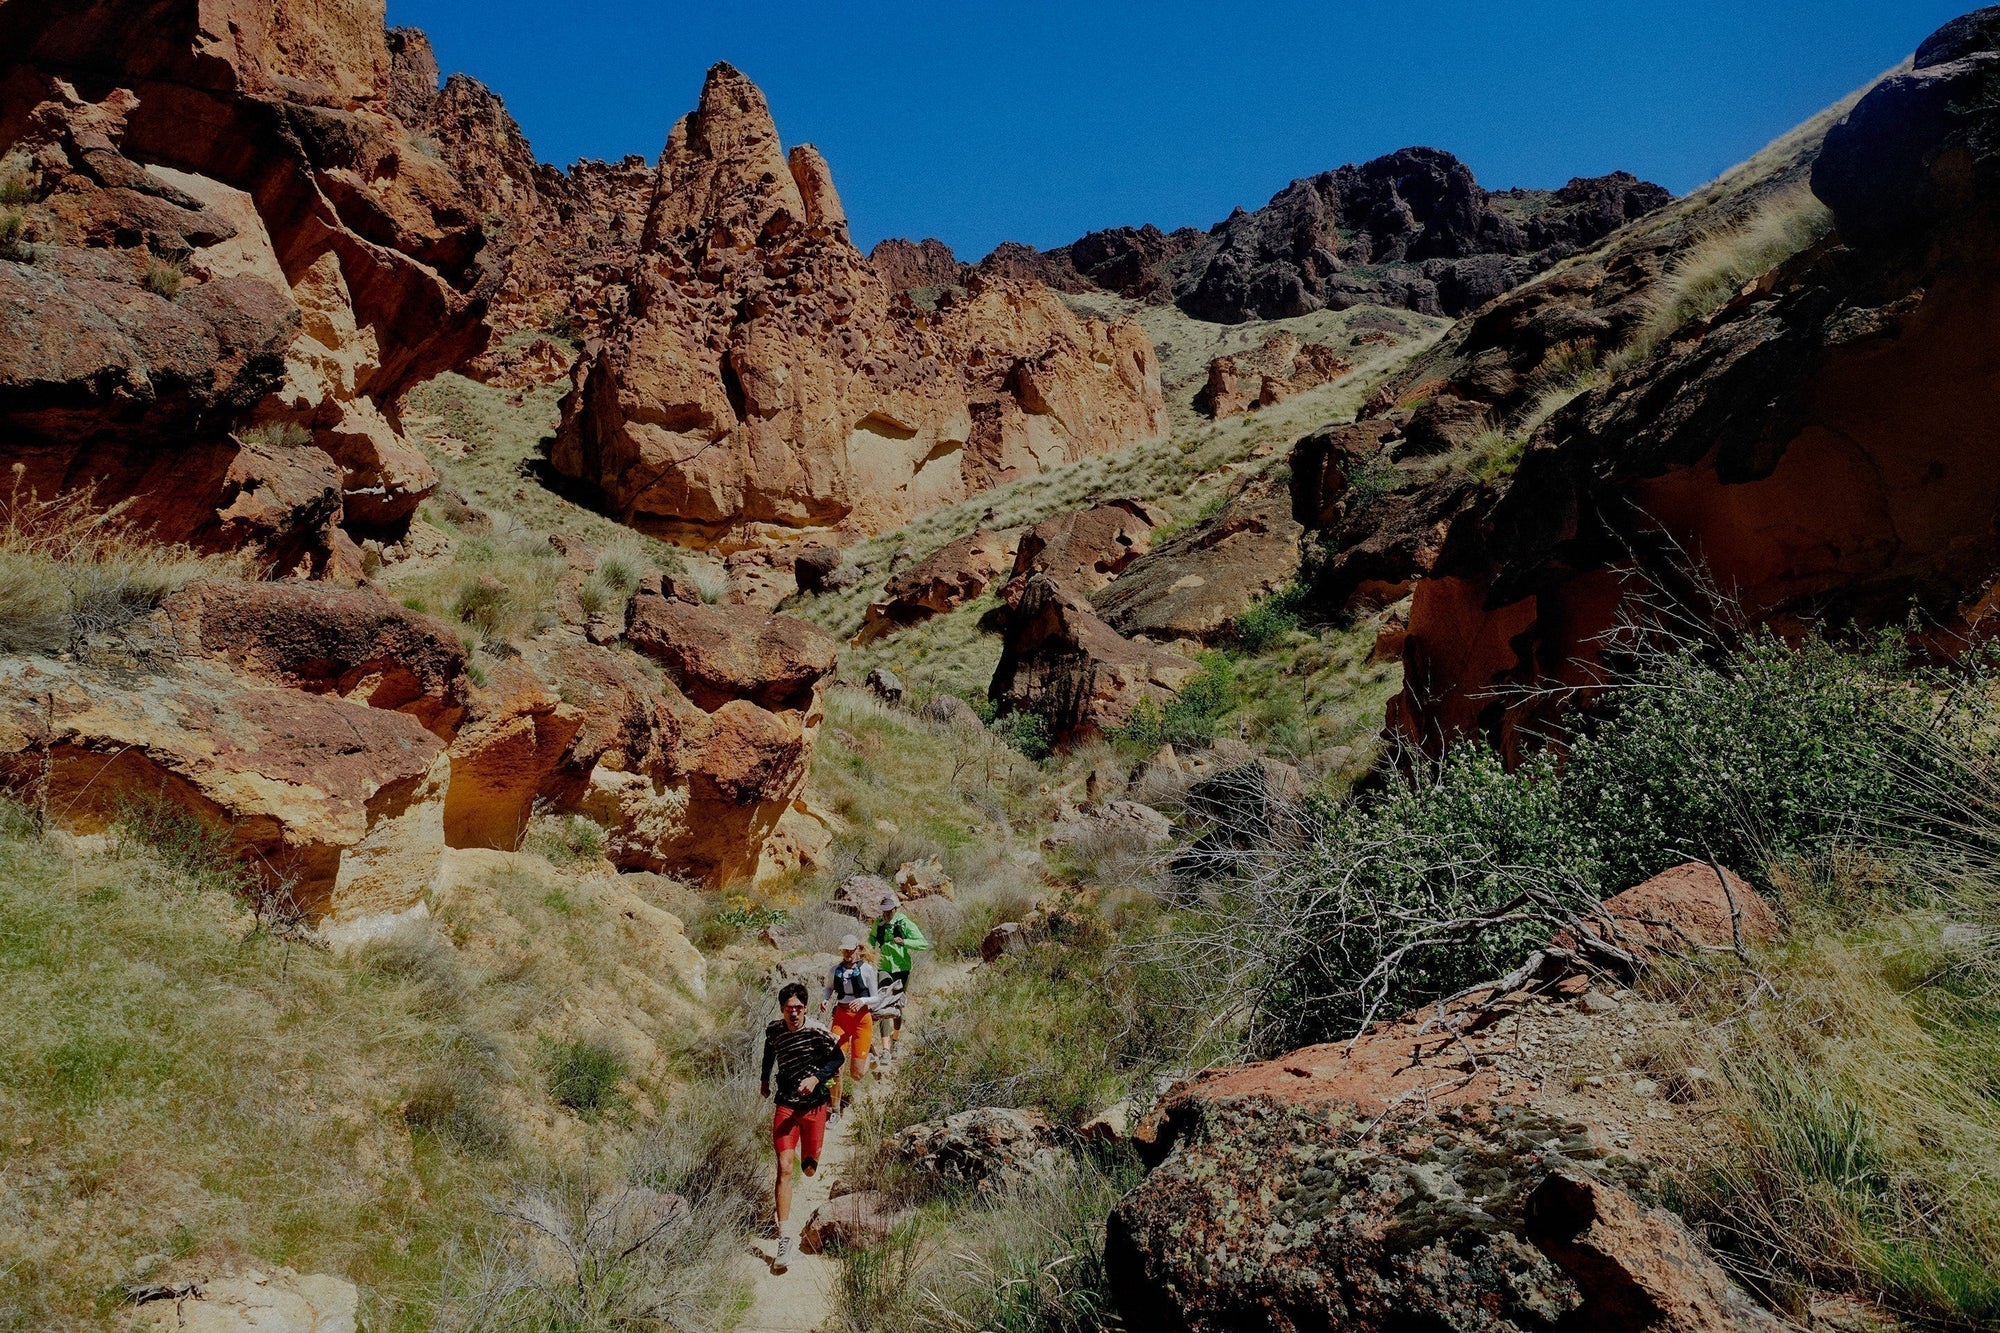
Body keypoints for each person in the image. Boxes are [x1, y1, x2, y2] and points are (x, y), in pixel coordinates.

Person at [760, 981, 844, 1274]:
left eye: (798, 1008)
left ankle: (807, 1157)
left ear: (805, 1008)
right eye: (788, 1009)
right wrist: (764, 1079)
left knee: (808, 1169)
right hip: (786, 1105)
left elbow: (838, 1057)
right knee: (784, 1166)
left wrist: (816, 1078)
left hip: (814, 1107)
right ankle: (784, 1238)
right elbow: (769, 1051)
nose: (793, 1013)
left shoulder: (817, 1031)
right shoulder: (775, 1031)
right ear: (782, 1009)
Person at [867, 892, 929, 1073]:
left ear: (895, 909)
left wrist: (905, 942)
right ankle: (886, 1050)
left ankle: (896, 1039)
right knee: (882, 1005)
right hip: (884, 967)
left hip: (902, 969)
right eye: (884, 911)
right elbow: (871, 938)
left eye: (889, 911)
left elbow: (922, 943)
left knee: (897, 1005)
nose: (886, 914)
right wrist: (868, 949)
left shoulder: (904, 923)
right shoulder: (878, 923)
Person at [822, 935, 876, 1114]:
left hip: (861, 1019)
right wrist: (825, 999)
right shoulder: (835, 970)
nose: (848, 953)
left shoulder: (867, 969)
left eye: (850, 950)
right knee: (835, 1067)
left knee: (856, 1074)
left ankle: (870, 1057)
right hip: (841, 1018)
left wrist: (862, 1000)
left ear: (857, 949)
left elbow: (876, 997)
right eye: (844, 950)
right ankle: (835, 1110)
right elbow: (829, 987)